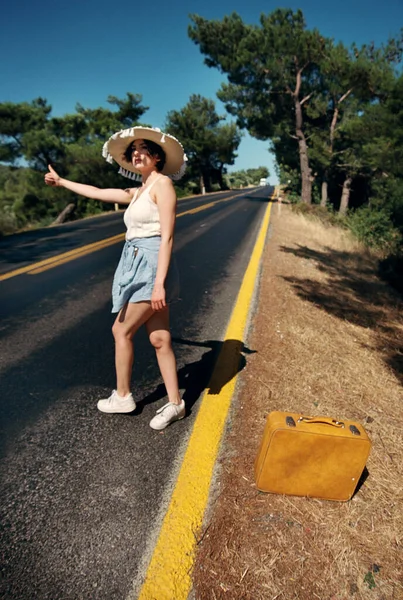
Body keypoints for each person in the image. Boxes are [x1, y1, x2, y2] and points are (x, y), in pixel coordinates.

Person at [44, 126, 187, 430]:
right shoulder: (138, 192)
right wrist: (62, 181)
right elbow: (97, 192)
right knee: (160, 339)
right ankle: (176, 404)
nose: (137, 153)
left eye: (144, 149)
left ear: (157, 156)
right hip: (140, 263)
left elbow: (167, 238)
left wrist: (159, 282)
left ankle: (123, 396)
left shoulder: (163, 186)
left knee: (121, 331)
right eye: (133, 150)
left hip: (150, 266)